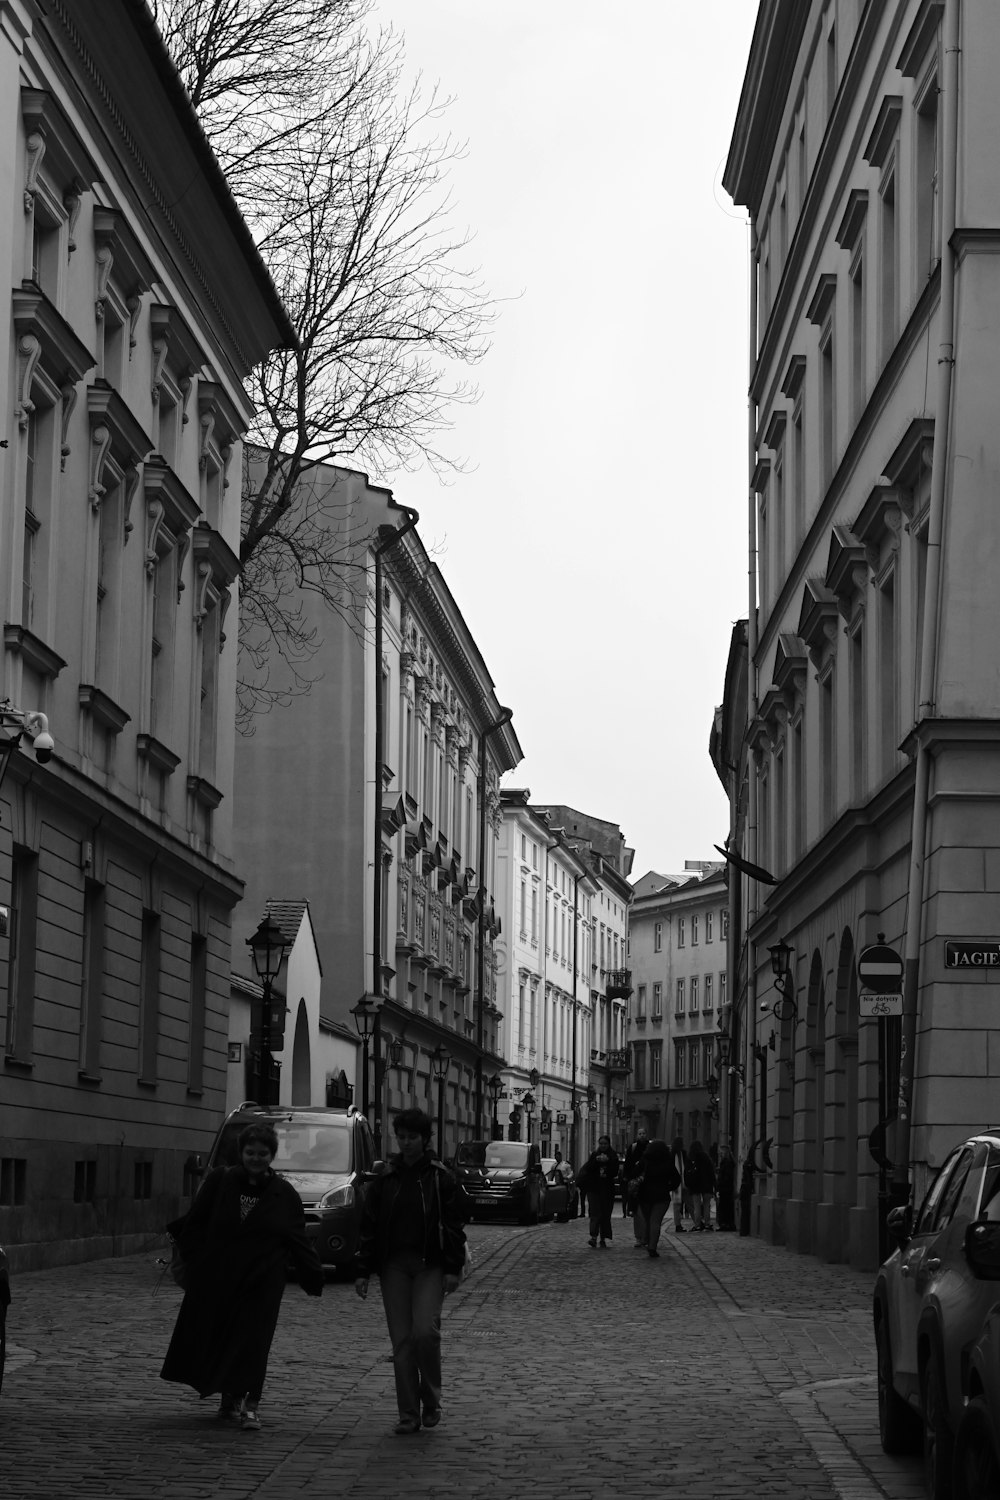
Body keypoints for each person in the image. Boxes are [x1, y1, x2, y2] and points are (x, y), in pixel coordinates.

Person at [161, 1123, 324, 1431]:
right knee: (224, 1336)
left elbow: (296, 1237)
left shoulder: (283, 1193)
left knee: (254, 1342)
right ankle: (229, 1396)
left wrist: (312, 1275)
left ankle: (251, 1403)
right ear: (241, 1153)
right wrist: (197, 1265)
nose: (256, 1158)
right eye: (250, 1152)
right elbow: (196, 1224)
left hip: (263, 1280)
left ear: (272, 1155)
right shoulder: (220, 1181)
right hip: (220, 1278)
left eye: (263, 1153)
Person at [354, 1107, 467, 1435]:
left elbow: (453, 1225)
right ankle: (408, 1413)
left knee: (425, 1333)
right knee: (402, 1342)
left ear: (425, 1139)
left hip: (429, 1265)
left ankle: (430, 1398)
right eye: (401, 1137)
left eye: (412, 1137)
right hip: (394, 1268)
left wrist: (452, 1267)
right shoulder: (385, 1179)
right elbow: (370, 1227)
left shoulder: (440, 1177)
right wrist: (362, 1270)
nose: (405, 1143)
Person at [634, 1139, 681, 1256]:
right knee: (655, 1222)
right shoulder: (667, 1162)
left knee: (648, 1220)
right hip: (662, 1196)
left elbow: (634, 1173)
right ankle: (652, 1247)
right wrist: (669, 1187)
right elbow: (676, 1179)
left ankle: (646, 1240)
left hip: (645, 1195)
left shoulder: (645, 1161)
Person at [577, 1135, 620, 1249]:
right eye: (601, 1143)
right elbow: (588, 1168)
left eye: (605, 1143)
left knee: (605, 1214)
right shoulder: (594, 1155)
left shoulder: (613, 1155)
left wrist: (608, 1161)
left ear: (609, 1144)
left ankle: (603, 1237)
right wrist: (596, 1161)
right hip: (594, 1188)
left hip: (607, 1189)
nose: (603, 1146)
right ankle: (594, 1237)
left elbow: (615, 1172)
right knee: (595, 1213)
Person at [622, 1127, 650, 1244]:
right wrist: (628, 1178)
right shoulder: (633, 1148)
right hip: (635, 1185)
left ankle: (646, 1236)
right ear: (637, 1135)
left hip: (648, 1184)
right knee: (637, 1212)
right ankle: (639, 1237)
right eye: (640, 1133)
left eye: (644, 1133)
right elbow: (627, 1164)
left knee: (647, 1213)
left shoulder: (650, 1148)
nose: (642, 1135)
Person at [685, 1139, 716, 1231]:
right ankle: (707, 1224)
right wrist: (714, 1184)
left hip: (695, 1186)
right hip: (707, 1185)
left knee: (696, 1206)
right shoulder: (706, 1157)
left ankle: (698, 1225)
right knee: (707, 1205)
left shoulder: (690, 1158)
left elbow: (686, 1173)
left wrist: (688, 1184)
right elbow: (711, 1172)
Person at [716, 1143, 738, 1231]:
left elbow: (726, 1177)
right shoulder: (727, 1162)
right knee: (727, 1207)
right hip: (727, 1189)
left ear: (724, 1153)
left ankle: (725, 1224)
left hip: (725, 1189)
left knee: (725, 1207)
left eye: (720, 1152)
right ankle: (727, 1224)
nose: (719, 1154)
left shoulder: (726, 1163)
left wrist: (720, 1184)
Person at [670, 1136, 689, 1233]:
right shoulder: (673, 1154)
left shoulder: (682, 1154)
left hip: (683, 1182)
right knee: (678, 1205)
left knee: (687, 1203)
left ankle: (696, 1222)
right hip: (677, 1182)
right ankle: (678, 1225)